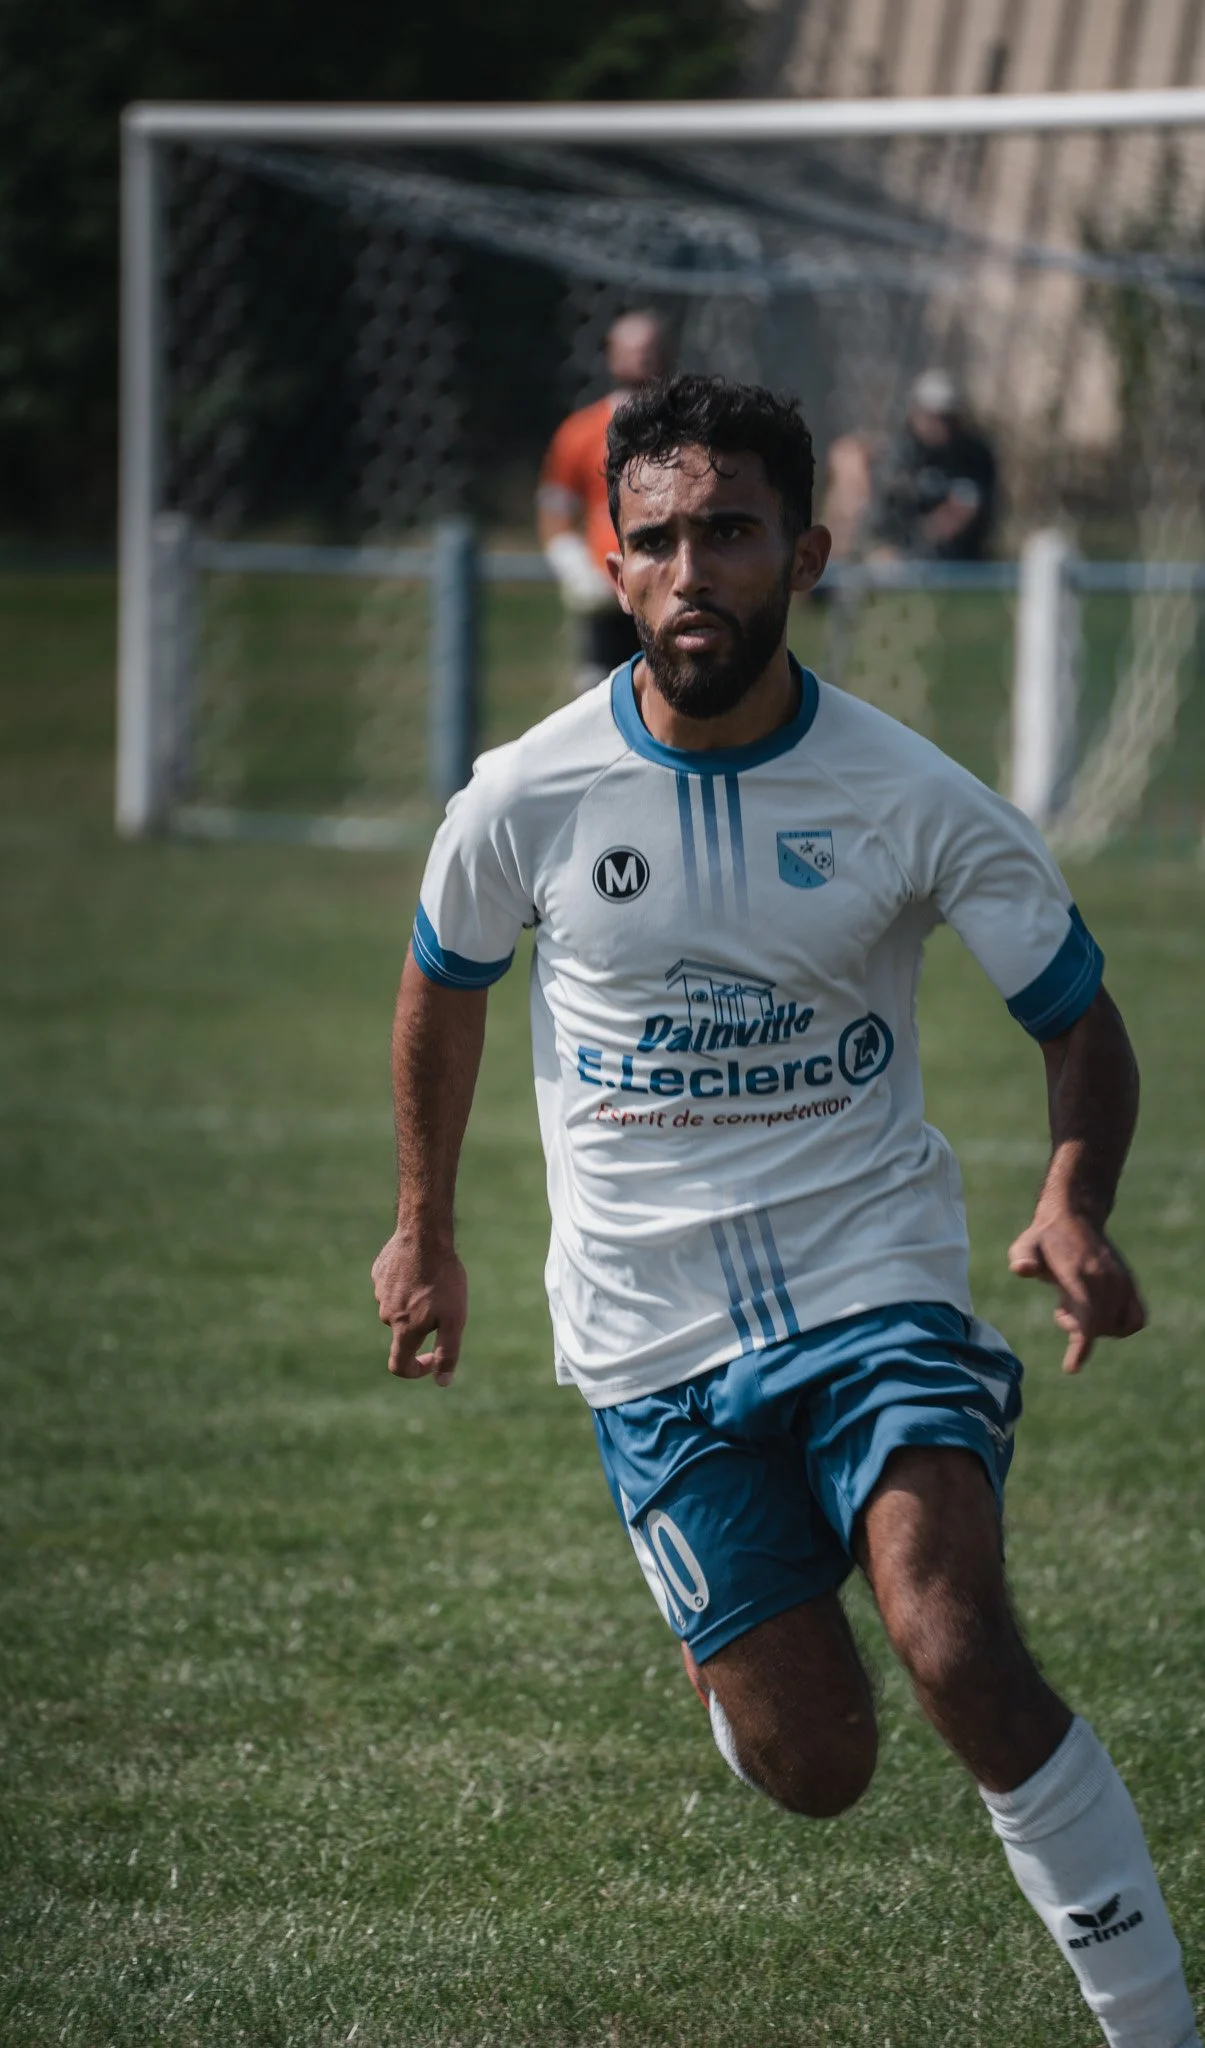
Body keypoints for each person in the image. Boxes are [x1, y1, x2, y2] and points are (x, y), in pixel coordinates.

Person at [372, 374, 1199, 2048]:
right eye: (658, 538)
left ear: (805, 552)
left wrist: (1072, 1192)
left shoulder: (915, 794)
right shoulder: (521, 797)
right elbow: (441, 988)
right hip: (646, 1337)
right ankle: (749, 1670)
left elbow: (1078, 1020)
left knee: (955, 1640)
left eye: (730, 534)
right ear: (616, 566)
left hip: (872, 1280)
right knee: (821, 1764)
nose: (693, 574)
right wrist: (423, 1225)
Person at [537, 309, 671, 693]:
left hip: (669, 588)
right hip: (606, 592)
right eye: (631, 349)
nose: (641, 358)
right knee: (601, 693)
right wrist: (573, 564)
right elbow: (555, 507)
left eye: (650, 348)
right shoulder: (581, 432)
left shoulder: (689, 424)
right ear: (612, 355)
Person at [825, 368, 998, 562]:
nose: (937, 425)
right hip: (889, 549)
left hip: (948, 561)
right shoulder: (902, 453)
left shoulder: (972, 459)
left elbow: (956, 515)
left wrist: (908, 551)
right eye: (930, 415)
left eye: (945, 417)